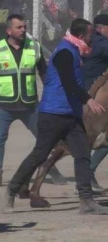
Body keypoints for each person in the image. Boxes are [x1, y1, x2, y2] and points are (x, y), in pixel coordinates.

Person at [3, 19, 108, 215]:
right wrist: (89, 100)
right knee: (39, 155)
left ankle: (86, 201)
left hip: (71, 115)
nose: (92, 39)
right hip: (52, 114)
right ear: (80, 36)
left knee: (83, 154)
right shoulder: (64, 52)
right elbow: (68, 82)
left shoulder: (77, 51)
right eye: (89, 35)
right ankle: (12, 190)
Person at [0, 14, 65, 186]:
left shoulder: (34, 47)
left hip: (30, 105)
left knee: (45, 139)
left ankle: (50, 170)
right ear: (9, 30)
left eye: (24, 27)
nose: (23, 30)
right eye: (19, 27)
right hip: (3, 105)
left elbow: (44, 73)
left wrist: (50, 94)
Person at [83, 14, 108, 192]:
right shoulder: (102, 43)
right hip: (91, 98)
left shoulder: (87, 41)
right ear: (102, 28)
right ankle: (87, 174)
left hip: (80, 94)